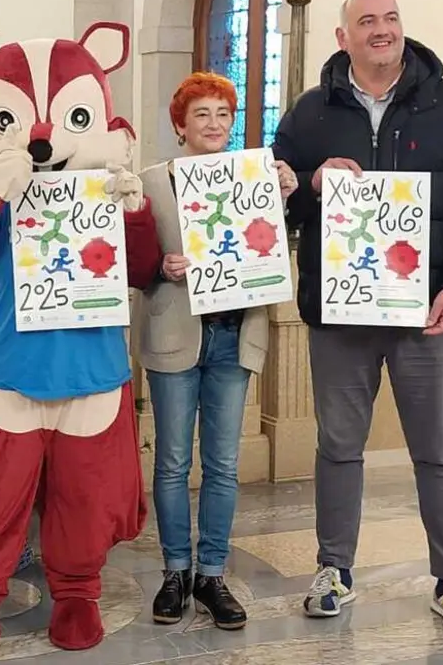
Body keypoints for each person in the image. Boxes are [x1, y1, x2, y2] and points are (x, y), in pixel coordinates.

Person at [0, 23, 160, 661]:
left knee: (86, 498)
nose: (46, 136)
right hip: (12, 371)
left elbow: (141, 269)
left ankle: (77, 593)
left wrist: (132, 211)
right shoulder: (3, 194)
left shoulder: (108, 189)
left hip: (94, 371)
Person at [272, 0, 443, 633]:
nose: (382, 30)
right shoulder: (309, 114)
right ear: (342, 36)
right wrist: (311, 185)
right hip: (340, 316)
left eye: (391, 18)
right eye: (367, 21)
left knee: (438, 450)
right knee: (338, 446)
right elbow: (270, 194)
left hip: (424, 314)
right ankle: (334, 570)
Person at [135, 73, 297, 630]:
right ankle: (175, 571)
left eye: (222, 114)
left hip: (235, 333)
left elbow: (278, 245)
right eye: (201, 114)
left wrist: (287, 193)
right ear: (180, 125)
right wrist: (160, 265)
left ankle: (211, 573)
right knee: (173, 461)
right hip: (176, 331)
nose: (213, 123)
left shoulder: (257, 179)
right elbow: (133, 258)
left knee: (224, 464)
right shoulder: (151, 183)